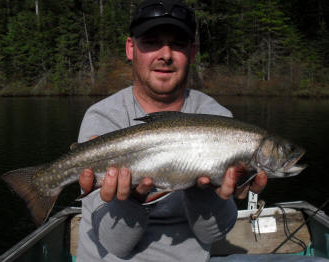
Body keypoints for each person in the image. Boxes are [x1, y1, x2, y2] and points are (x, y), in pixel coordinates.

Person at [74, 0, 307, 261]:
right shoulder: (103, 117)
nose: (165, 54)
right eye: (151, 42)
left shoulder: (217, 116)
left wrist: (202, 192)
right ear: (131, 49)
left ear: (192, 52)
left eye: (177, 44)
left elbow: (212, 235)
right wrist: (131, 201)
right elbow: (115, 244)